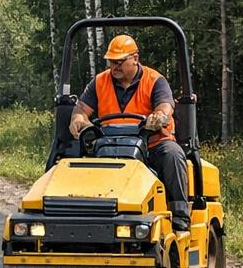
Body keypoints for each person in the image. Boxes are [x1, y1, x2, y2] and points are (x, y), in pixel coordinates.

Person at [67, 34, 190, 231]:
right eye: (111, 62)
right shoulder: (99, 82)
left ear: (135, 58)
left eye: (120, 62)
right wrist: (78, 120)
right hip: (109, 146)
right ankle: (83, 215)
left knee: (173, 154)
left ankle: (179, 216)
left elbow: (165, 106)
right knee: (72, 159)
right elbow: (81, 109)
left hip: (151, 144)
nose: (115, 67)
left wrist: (159, 117)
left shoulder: (155, 80)